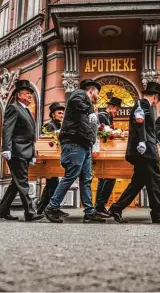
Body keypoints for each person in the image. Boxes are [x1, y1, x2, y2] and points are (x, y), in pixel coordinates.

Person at [108, 82, 160, 224]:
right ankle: (158, 214)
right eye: (157, 100)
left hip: (144, 150)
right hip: (146, 151)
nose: (156, 104)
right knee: (155, 181)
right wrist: (142, 142)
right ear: (156, 96)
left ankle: (116, 208)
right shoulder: (144, 104)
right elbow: (140, 121)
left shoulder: (141, 104)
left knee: (138, 182)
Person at [44, 79, 105, 223]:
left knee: (86, 179)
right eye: (97, 92)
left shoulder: (87, 104)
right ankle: (51, 207)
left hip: (84, 145)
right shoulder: (79, 94)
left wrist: (93, 142)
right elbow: (76, 102)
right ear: (91, 90)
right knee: (71, 176)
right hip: (74, 143)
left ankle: (89, 212)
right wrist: (90, 111)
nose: (98, 96)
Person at [0, 80, 44, 222]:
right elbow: (7, 129)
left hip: (25, 151)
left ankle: (2, 211)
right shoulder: (14, 108)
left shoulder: (27, 110)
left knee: (16, 183)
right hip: (17, 151)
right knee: (22, 182)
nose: (30, 96)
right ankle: (30, 212)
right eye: (27, 94)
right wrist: (6, 148)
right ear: (18, 95)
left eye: (31, 94)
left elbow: (30, 135)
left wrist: (33, 153)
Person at [36, 102, 67, 216]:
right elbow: (47, 142)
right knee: (52, 184)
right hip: (50, 159)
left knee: (51, 184)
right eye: (59, 113)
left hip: (55, 159)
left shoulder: (59, 126)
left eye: (63, 113)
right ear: (53, 115)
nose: (62, 115)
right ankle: (50, 208)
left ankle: (43, 209)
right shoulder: (50, 126)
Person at [95, 96, 122, 218]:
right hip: (103, 151)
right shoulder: (102, 115)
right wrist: (115, 133)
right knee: (109, 178)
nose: (117, 112)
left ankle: (99, 207)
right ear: (111, 107)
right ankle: (100, 206)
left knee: (104, 178)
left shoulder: (108, 117)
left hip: (105, 151)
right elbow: (102, 133)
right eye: (116, 110)